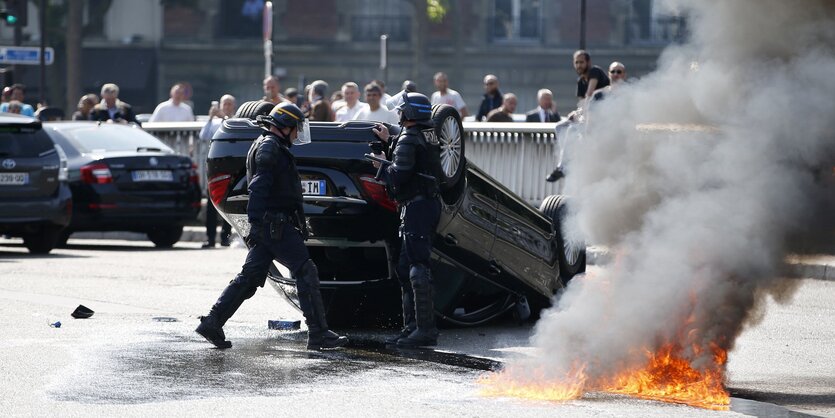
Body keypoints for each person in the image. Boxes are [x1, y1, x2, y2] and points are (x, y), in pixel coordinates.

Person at [196, 102, 349, 350]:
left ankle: (213, 322)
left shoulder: (270, 144)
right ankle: (319, 333)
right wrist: (256, 225)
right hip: (274, 225)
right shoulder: (270, 148)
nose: (298, 133)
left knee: (250, 276)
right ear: (285, 126)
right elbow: (257, 188)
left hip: (270, 225)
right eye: (296, 128)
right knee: (305, 271)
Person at [371, 92, 444, 348]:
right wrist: (391, 139)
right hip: (423, 205)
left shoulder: (410, 138)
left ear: (410, 114)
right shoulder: (427, 134)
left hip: (417, 207)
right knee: (406, 267)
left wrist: (380, 163)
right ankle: (412, 326)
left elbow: (398, 175)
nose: (398, 114)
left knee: (416, 267)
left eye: (402, 110)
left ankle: (425, 330)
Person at [200, 94, 237, 248]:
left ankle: (225, 237)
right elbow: (203, 136)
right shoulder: (214, 123)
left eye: (229, 104)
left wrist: (225, 116)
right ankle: (210, 237)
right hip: (215, 165)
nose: (226, 107)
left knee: (227, 202)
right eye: (224, 104)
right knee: (211, 203)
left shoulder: (234, 121)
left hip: (229, 164)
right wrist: (210, 118)